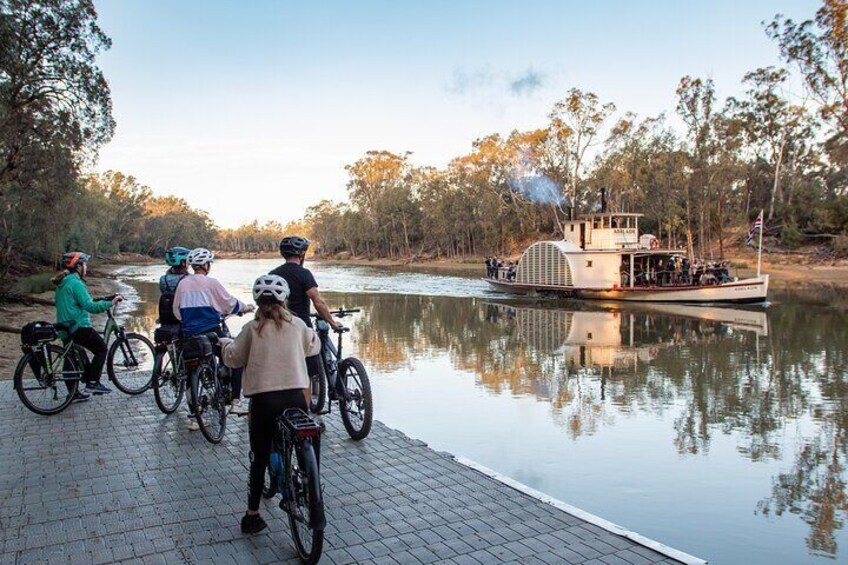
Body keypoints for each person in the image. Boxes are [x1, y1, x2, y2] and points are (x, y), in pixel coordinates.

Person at [220, 274, 320, 534]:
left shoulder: (252, 329)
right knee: (301, 442)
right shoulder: (298, 325)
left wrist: (224, 346)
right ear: (284, 299)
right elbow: (314, 347)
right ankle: (307, 486)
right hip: (296, 399)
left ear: (257, 300)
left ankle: (252, 516)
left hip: (264, 402)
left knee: (259, 458)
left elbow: (233, 359)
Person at [173, 248, 254, 426]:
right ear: (206, 265)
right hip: (212, 332)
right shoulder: (212, 283)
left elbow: (177, 311)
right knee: (235, 357)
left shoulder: (182, 283)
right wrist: (246, 307)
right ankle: (235, 402)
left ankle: (194, 418)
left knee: (189, 373)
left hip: (190, 335)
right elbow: (229, 303)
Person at [269, 236, 339, 402]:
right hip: (301, 329)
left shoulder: (273, 274)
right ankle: (305, 412)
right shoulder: (304, 274)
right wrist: (332, 322)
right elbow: (318, 302)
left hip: (277, 327)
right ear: (301, 254)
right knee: (306, 373)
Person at [53, 252, 123, 399]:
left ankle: (73, 393)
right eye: (85, 264)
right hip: (78, 327)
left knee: (70, 358)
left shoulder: (63, 282)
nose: (86, 267)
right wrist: (110, 302)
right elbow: (90, 306)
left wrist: (101, 300)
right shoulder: (76, 283)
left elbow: (79, 301)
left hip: (64, 326)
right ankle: (93, 382)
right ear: (78, 266)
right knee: (101, 349)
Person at [158, 246, 190, 328]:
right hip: (183, 316)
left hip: (166, 317)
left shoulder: (163, 279)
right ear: (183, 263)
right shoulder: (188, 279)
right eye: (187, 261)